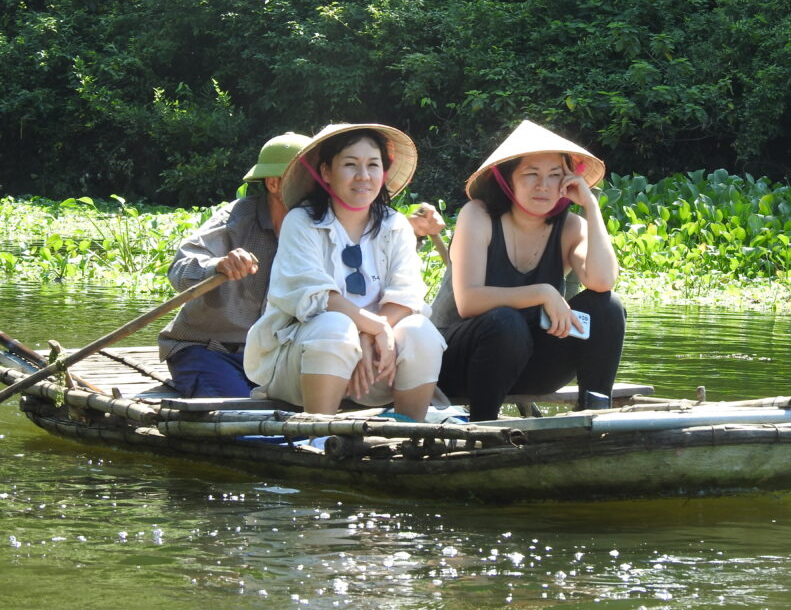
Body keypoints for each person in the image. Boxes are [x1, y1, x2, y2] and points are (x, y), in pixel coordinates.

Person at [158, 132, 445, 399]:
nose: (322, 185)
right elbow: (180, 268)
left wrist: (413, 235)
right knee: (241, 414)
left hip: (279, 352)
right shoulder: (238, 219)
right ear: (274, 184)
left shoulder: (329, 226)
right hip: (213, 349)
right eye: (309, 177)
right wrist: (218, 266)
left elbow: (373, 272)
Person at [243, 124, 445, 419]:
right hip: (303, 368)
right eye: (350, 164)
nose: (363, 175)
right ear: (326, 172)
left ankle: (410, 432)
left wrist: (368, 337)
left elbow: (406, 295)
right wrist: (372, 328)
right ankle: (318, 435)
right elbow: (315, 295)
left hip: (377, 366)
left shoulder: (396, 225)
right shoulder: (301, 222)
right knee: (334, 326)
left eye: (373, 165)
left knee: (421, 331)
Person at [434, 120, 626, 421]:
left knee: (607, 307)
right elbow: (468, 302)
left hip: (529, 365)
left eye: (555, 175)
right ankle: (483, 428)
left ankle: (594, 416)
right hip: (457, 362)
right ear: (506, 178)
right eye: (531, 174)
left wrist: (591, 206)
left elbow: (602, 281)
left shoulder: (571, 227)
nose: (543, 186)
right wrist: (543, 292)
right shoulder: (478, 216)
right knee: (505, 321)